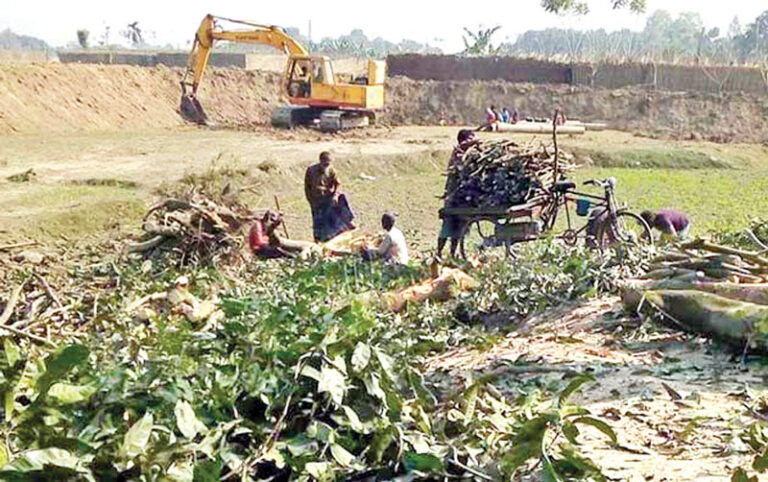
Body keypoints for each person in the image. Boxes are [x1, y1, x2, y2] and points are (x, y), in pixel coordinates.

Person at [437, 129, 479, 259]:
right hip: (453, 197)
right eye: (470, 138)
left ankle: (452, 254)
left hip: (464, 198)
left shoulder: (470, 154)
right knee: (447, 227)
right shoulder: (458, 153)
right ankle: (438, 253)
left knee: (459, 229)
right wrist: (474, 142)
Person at [304, 151, 355, 242]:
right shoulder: (311, 170)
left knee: (341, 200)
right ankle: (318, 240)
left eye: (328, 164)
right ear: (320, 161)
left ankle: (347, 223)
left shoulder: (331, 170)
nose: (326, 166)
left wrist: (335, 195)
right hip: (316, 200)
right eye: (325, 164)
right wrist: (310, 200)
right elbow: (307, 187)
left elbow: (338, 184)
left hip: (328, 198)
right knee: (318, 222)